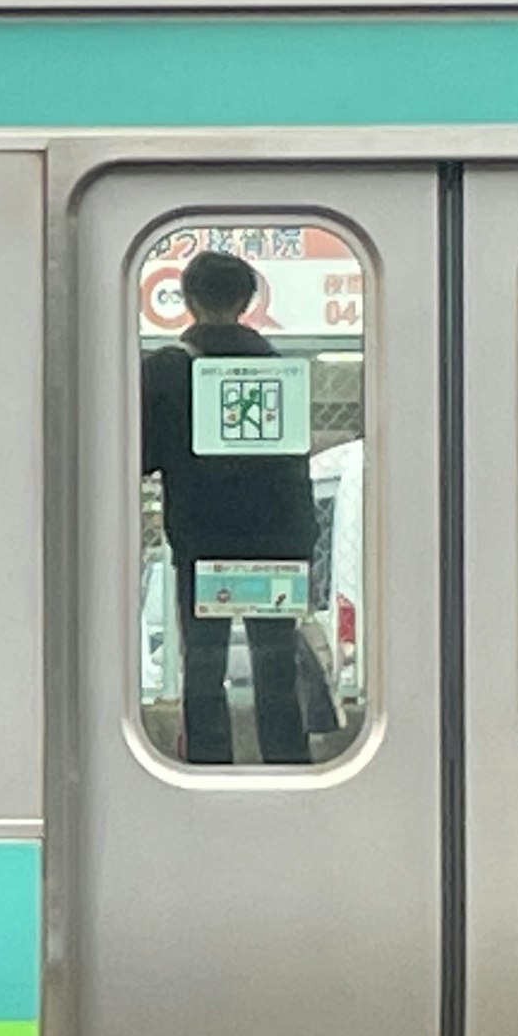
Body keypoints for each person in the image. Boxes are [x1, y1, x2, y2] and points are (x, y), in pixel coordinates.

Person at [139, 247, 317, 767]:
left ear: (189, 300)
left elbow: (142, 454)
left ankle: (208, 763)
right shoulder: (277, 368)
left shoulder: (170, 370)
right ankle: (287, 761)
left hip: (204, 539)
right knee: (275, 661)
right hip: (279, 541)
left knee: (204, 661)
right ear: (246, 300)